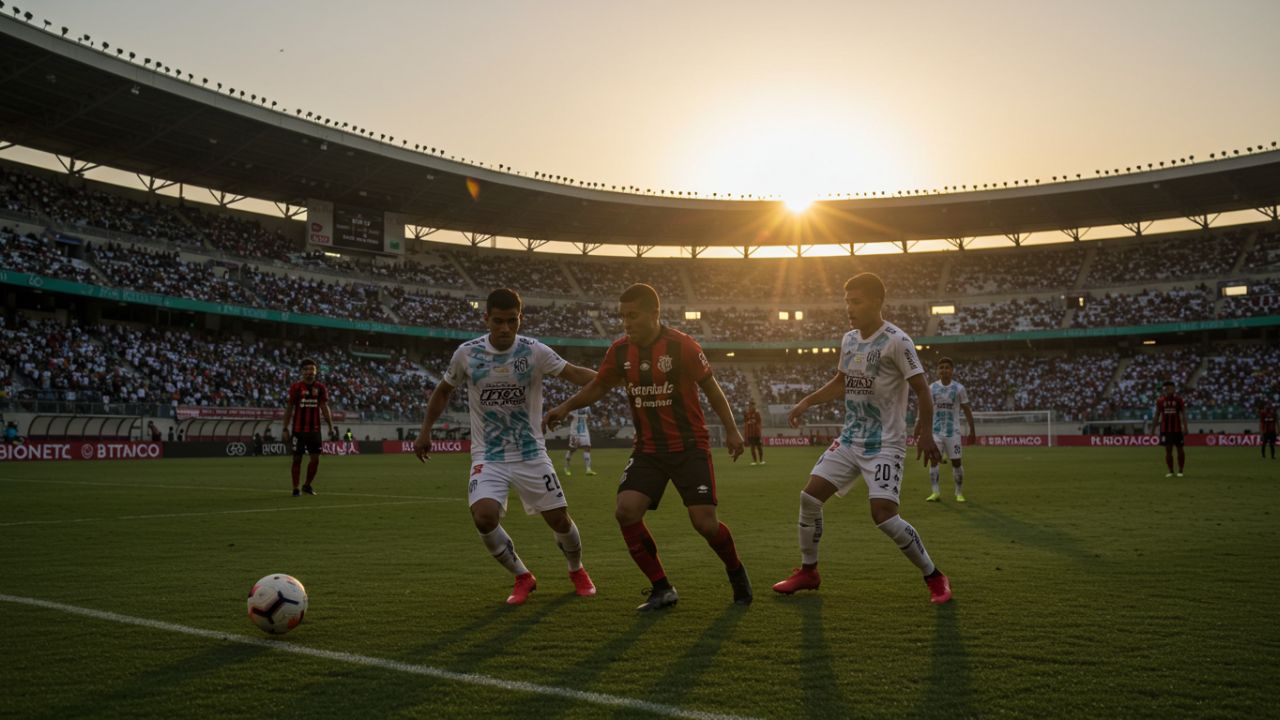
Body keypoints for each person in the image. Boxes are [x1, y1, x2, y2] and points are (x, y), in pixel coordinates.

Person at [544, 283, 752, 611]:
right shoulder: (620, 351)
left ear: (655, 314)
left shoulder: (682, 346)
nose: (626, 323)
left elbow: (711, 388)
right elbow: (599, 385)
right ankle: (662, 588)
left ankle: (736, 571)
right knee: (626, 511)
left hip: (688, 446)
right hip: (649, 450)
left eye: (633, 316)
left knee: (704, 524)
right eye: (623, 316)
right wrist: (565, 407)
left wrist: (731, 430)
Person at [772, 273, 952, 605]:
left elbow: (923, 390)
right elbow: (842, 381)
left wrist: (926, 433)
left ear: (877, 302)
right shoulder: (850, 340)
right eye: (847, 302)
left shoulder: (898, 341)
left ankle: (935, 576)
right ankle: (809, 572)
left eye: (857, 302)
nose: (850, 309)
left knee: (883, 515)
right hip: (851, 439)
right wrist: (807, 401)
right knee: (810, 498)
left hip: (885, 443)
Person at [415, 288, 598, 606]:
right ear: (486, 318)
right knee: (484, 517)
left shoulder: (534, 351)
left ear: (519, 319)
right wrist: (425, 431)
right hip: (489, 454)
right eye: (497, 321)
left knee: (559, 520)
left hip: (530, 451)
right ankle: (522, 576)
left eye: (511, 321)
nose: (504, 328)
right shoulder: (467, 354)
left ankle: (576, 569)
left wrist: (612, 379)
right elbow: (444, 390)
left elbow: (574, 374)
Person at [282, 358, 336, 496]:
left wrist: (331, 426)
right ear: (301, 372)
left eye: (312, 369)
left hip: (314, 430)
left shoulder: (321, 388)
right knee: (297, 459)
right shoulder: (296, 387)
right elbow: (289, 408)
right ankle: (295, 488)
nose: (309, 372)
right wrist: (285, 428)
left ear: (316, 371)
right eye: (306, 369)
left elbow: (324, 407)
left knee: (315, 459)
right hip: (298, 431)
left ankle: (307, 485)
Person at [926, 357, 976, 503]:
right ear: (937, 371)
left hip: (953, 432)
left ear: (952, 371)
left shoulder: (959, 389)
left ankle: (958, 492)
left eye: (947, 367)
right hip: (936, 432)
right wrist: (921, 426)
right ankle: (935, 492)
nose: (944, 370)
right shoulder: (931, 388)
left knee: (956, 463)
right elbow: (927, 409)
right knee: (933, 461)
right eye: (941, 368)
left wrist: (972, 431)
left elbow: (967, 410)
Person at [1155, 381, 1188, 477]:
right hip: (1165, 430)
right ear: (1165, 389)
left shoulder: (1179, 400)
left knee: (1180, 449)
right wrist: (1154, 429)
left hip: (1177, 429)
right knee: (1168, 450)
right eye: (1168, 388)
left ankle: (1181, 470)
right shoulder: (1160, 401)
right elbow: (1157, 415)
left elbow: (1183, 414)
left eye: (1172, 388)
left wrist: (1185, 427)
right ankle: (1170, 470)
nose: (1171, 390)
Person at [562, 407, 596, 476]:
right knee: (572, 449)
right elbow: (568, 418)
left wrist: (591, 418)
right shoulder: (574, 406)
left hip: (584, 430)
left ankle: (588, 469)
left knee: (587, 447)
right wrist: (569, 416)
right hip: (575, 431)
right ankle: (566, 468)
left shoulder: (587, 408)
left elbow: (590, 417)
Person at [743, 399, 765, 466]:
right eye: (749, 405)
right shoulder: (747, 413)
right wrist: (748, 423)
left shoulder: (757, 413)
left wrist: (756, 425)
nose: (750, 406)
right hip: (750, 433)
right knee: (752, 447)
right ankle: (754, 461)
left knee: (759, 447)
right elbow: (745, 421)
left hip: (756, 432)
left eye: (752, 405)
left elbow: (759, 422)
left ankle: (761, 460)